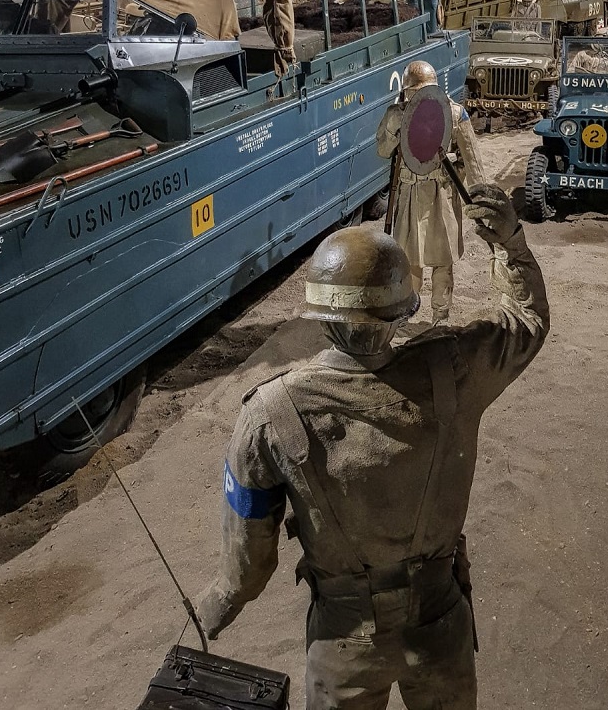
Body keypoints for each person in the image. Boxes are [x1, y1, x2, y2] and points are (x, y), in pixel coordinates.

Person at [195, 184, 549, 710]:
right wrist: (511, 243)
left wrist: (220, 603)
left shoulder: (269, 414)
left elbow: (250, 563)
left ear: (321, 316)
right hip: (440, 622)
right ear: (403, 309)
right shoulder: (455, 370)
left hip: (343, 639)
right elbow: (526, 324)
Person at [376, 60, 484, 325]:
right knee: (408, 260)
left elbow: (472, 159)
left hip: (442, 195)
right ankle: (406, 313)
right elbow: (382, 150)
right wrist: (395, 123)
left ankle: (440, 315)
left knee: (442, 260)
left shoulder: (454, 113)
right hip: (408, 194)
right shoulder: (397, 114)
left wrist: (481, 197)